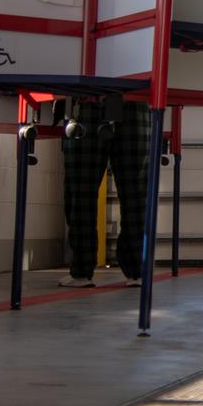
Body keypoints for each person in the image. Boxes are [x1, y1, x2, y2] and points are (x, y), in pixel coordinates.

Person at [58, 101, 152, 288]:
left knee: (81, 192)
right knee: (136, 194)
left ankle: (81, 272)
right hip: (134, 102)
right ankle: (136, 271)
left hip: (87, 103)